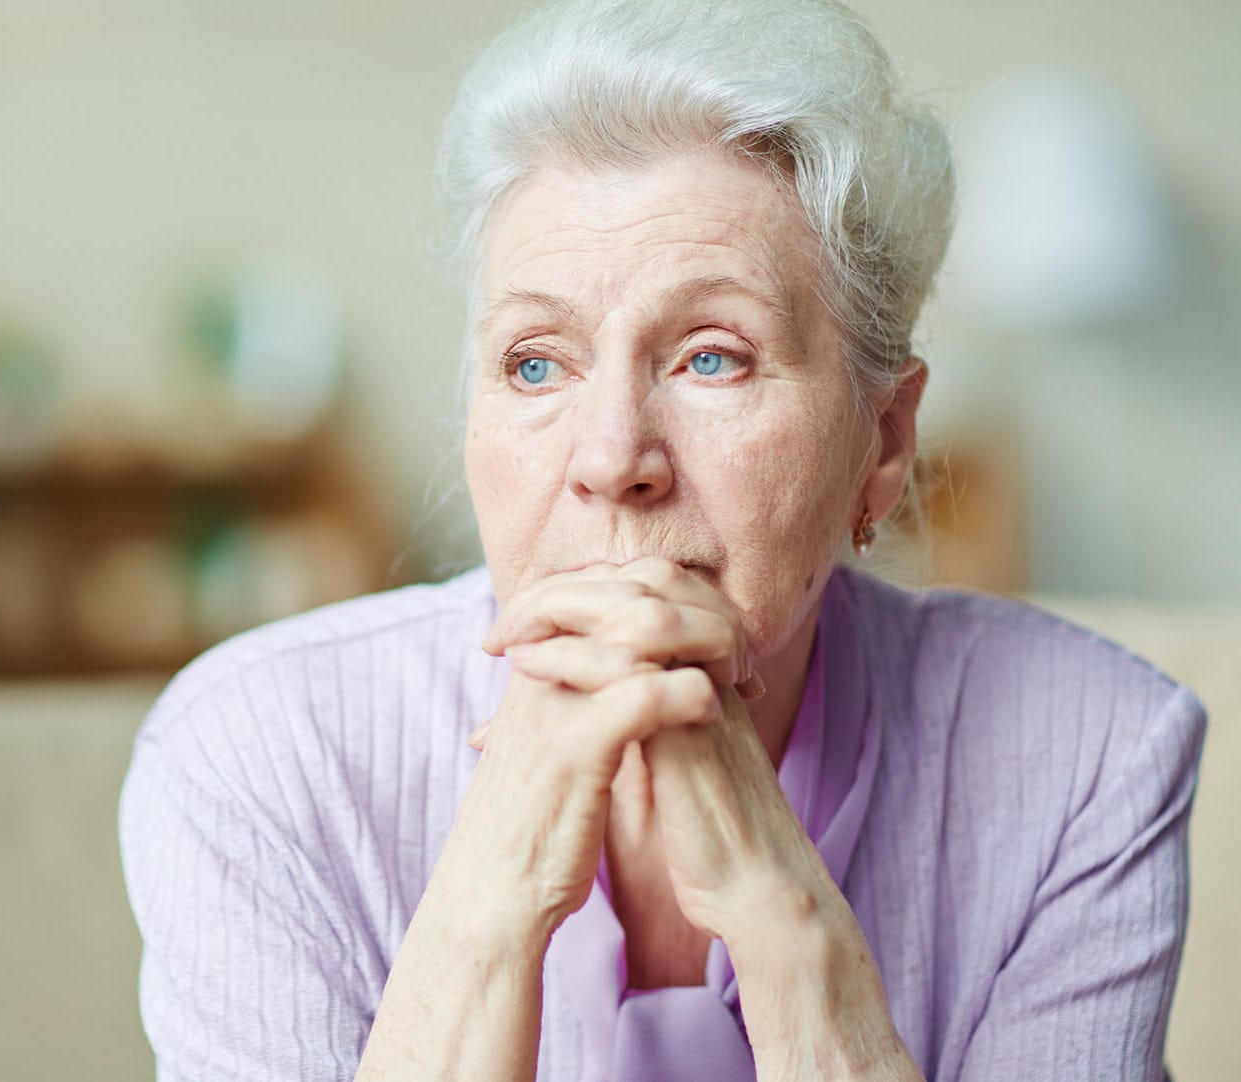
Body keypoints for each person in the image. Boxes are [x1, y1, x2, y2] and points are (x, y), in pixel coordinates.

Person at [119, 0, 1207, 1077]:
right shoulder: (258, 755)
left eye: (712, 357)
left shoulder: (1090, 757)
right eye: (536, 362)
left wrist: (785, 925)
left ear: (883, 437)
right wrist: (491, 900)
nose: (611, 455)